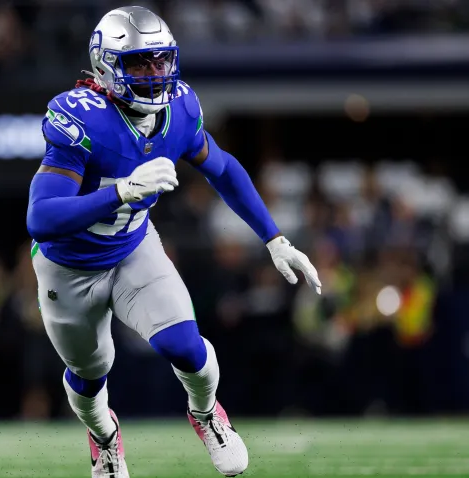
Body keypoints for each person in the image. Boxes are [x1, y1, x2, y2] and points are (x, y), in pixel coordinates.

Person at [25, 6, 321, 478]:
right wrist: (119, 192)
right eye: (140, 63)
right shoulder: (83, 118)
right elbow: (40, 218)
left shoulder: (180, 108)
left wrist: (274, 237)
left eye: (161, 60)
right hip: (68, 267)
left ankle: (206, 416)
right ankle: (105, 439)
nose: (155, 73)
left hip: (133, 249)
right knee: (89, 376)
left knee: (187, 348)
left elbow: (221, 168)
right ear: (106, 66)